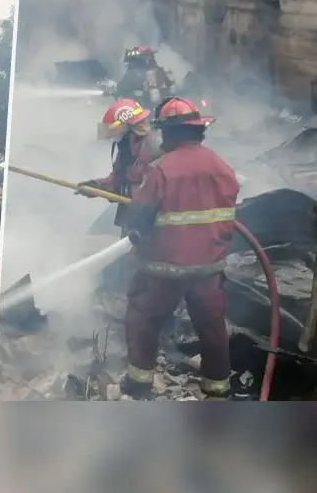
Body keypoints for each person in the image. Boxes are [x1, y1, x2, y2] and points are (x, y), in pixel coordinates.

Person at [121, 97, 239, 400]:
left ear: (170, 133)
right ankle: (217, 390)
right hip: (208, 269)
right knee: (213, 331)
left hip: (163, 269)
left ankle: (139, 384)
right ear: (198, 130)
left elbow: (141, 216)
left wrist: (134, 223)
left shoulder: (162, 170)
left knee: (143, 321)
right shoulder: (222, 166)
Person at [77, 97, 161, 294]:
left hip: (151, 217)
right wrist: (95, 186)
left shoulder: (154, 144)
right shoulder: (126, 147)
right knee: (131, 259)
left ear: (131, 126)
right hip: (133, 215)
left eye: (117, 128)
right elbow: (118, 178)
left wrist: (145, 207)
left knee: (149, 261)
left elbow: (158, 184)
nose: (114, 134)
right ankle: (129, 294)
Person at [115, 45, 173, 110]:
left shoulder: (136, 73)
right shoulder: (157, 71)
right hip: (150, 108)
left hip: (147, 109)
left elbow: (121, 87)